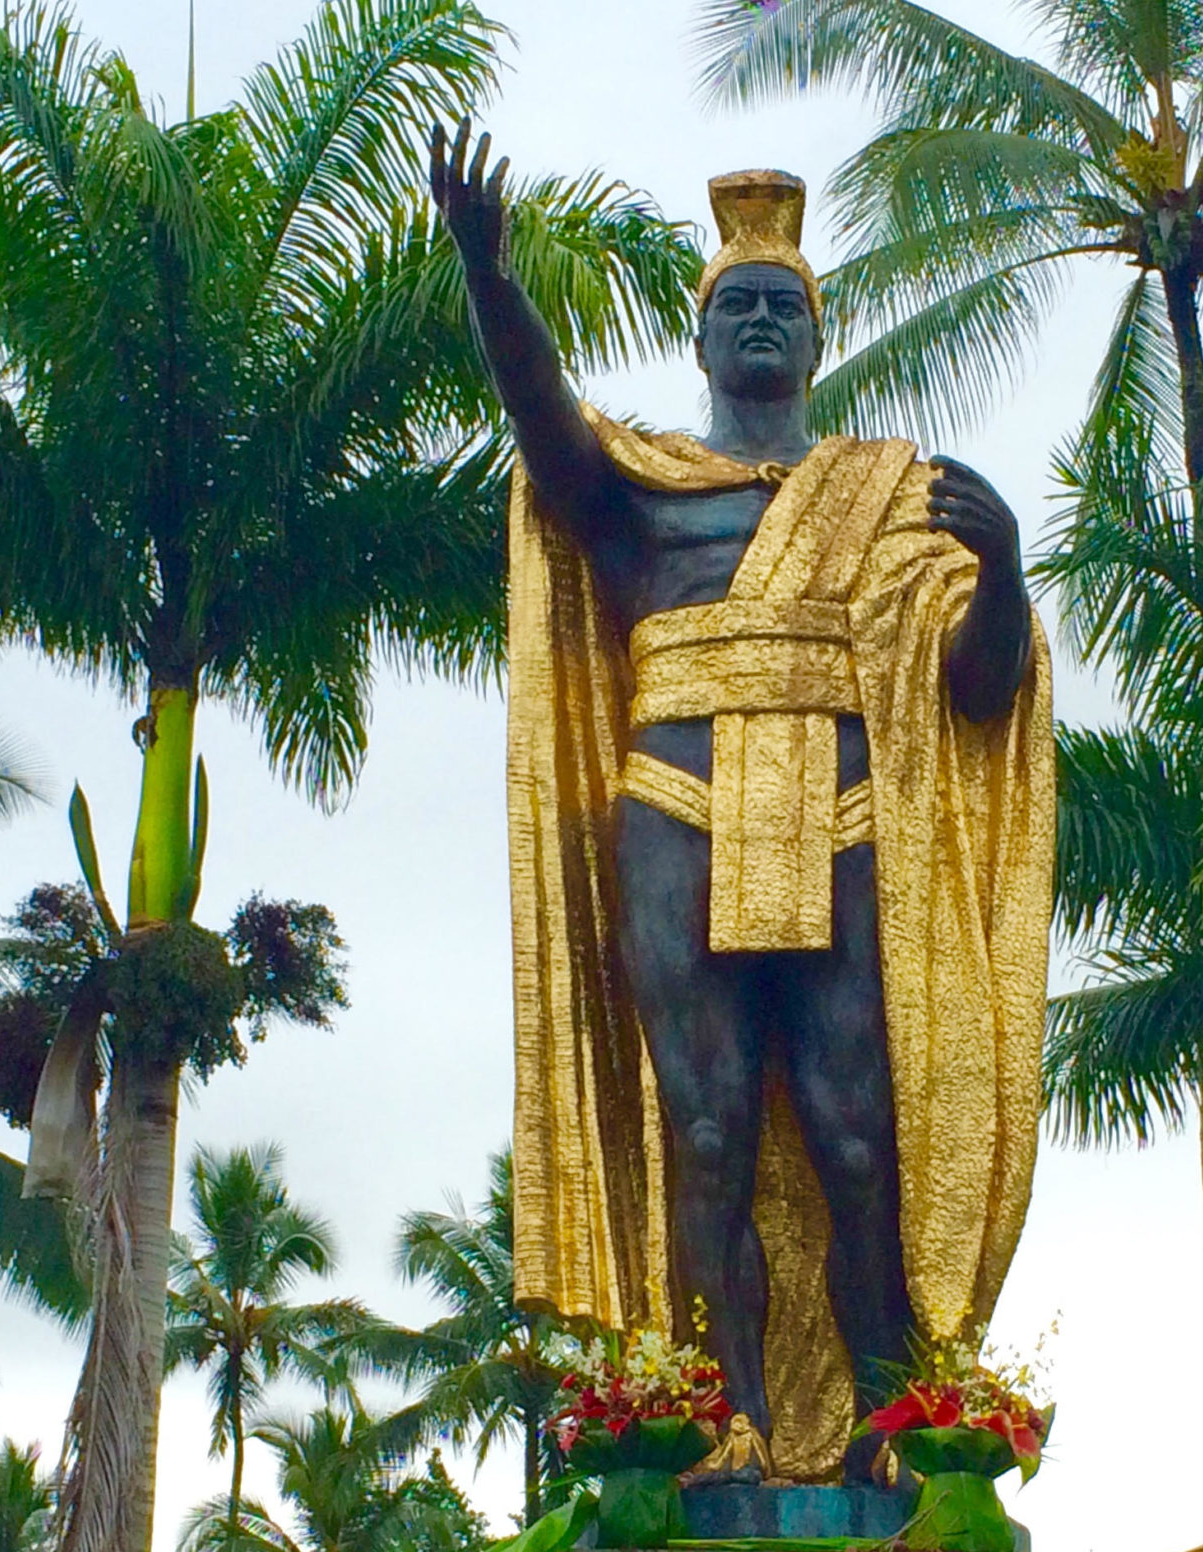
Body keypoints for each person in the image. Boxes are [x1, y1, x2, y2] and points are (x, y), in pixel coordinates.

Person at [436, 126, 1052, 1483]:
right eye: (739, 305)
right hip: (679, 795)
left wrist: (999, 567)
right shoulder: (646, 490)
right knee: (705, 1126)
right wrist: (490, 276)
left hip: (840, 807)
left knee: (853, 1129)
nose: (763, 321)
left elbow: (982, 683)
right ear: (700, 337)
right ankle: (729, 1416)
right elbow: (545, 422)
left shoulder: (892, 497)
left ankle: (896, 1424)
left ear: (818, 342)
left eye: (787, 305)